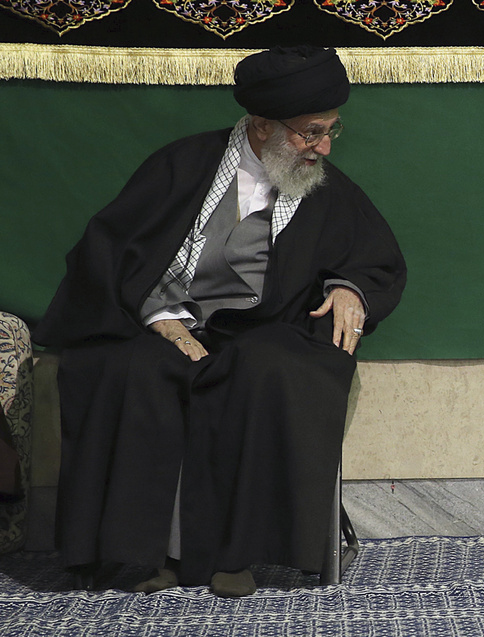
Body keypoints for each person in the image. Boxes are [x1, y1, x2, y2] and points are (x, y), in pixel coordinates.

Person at [32, 46, 407, 597]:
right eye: (310, 133)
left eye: (330, 130)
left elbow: (372, 259)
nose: (323, 147)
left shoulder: (327, 190)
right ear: (260, 126)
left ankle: (236, 554)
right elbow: (111, 252)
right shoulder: (181, 166)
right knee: (130, 370)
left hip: (262, 332)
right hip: (162, 322)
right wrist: (160, 314)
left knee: (270, 370)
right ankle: (147, 553)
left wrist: (349, 288)